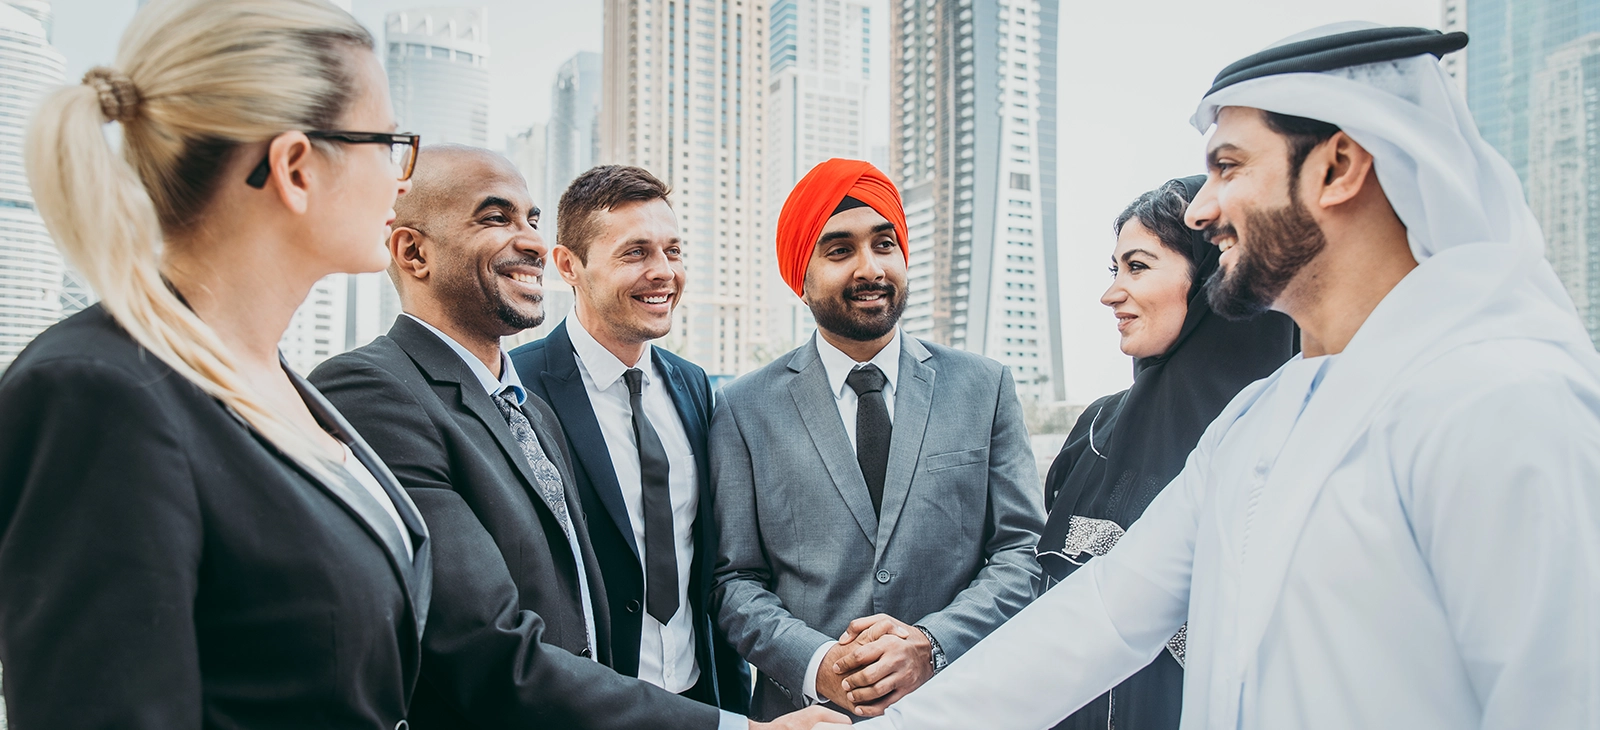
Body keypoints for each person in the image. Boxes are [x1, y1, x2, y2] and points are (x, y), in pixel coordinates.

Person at [0, 2, 843, 728]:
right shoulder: (98, 393)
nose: (398, 174)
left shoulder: (286, 392)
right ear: (297, 167)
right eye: (389, 143)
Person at [816, 23, 1600, 730]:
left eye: (1228, 167)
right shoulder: (1262, 419)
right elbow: (1099, 621)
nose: (1201, 210)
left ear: (1338, 167)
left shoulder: (1504, 400)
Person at [309, 145, 829, 730]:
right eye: (495, 217)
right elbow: (485, 648)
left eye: (530, 219)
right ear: (413, 251)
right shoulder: (372, 389)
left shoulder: (522, 401)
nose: (528, 238)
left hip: (661, 701)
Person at [712, 158, 1046, 721]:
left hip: (961, 707)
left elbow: (1019, 553)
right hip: (811, 717)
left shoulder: (984, 386)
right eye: (840, 250)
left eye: (884, 244)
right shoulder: (745, 408)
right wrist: (818, 664)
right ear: (802, 275)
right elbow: (735, 581)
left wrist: (930, 645)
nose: (870, 268)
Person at [1035, 176, 1295, 730]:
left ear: (1212, 280)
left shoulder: (1290, 445)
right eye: (1115, 269)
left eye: (1138, 266)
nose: (1111, 293)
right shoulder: (1095, 431)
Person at [511, 165, 751, 712]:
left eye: (673, 251)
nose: (663, 272)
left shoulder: (693, 384)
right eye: (635, 253)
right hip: (586, 704)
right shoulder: (516, 387)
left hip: (698, 698)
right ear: (569, 266)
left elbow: (708, 557)